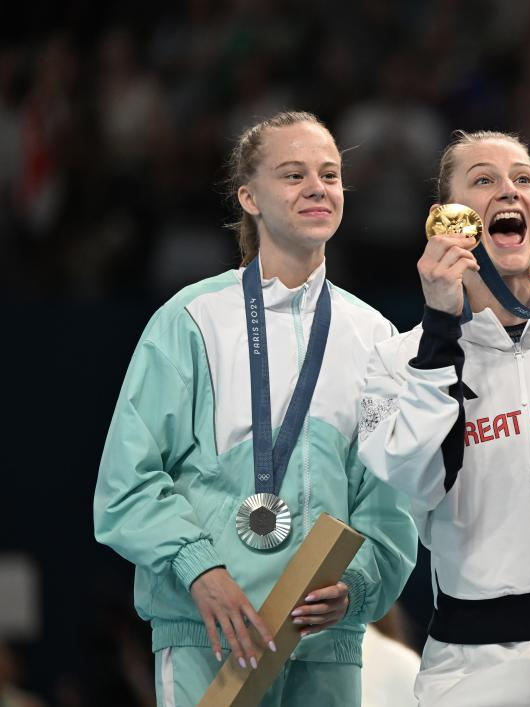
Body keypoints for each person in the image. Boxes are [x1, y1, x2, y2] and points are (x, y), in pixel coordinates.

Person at [94, 111, 417, 706]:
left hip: (325, 646)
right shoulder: (190, 321)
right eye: (293, 175)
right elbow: (127, 482)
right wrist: (198, 568)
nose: (317, 188)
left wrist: (357, 584)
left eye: (329, 175)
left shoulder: (375, 337)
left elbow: (389, 496)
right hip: (208, 633)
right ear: (249, 197)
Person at [358, 130, 530, 705]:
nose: (508, 190)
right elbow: (416, 478)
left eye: (523, 179)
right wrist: (440, 331)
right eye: (483, 180)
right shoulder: (395, 362)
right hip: (475, 670)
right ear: (445, 222)